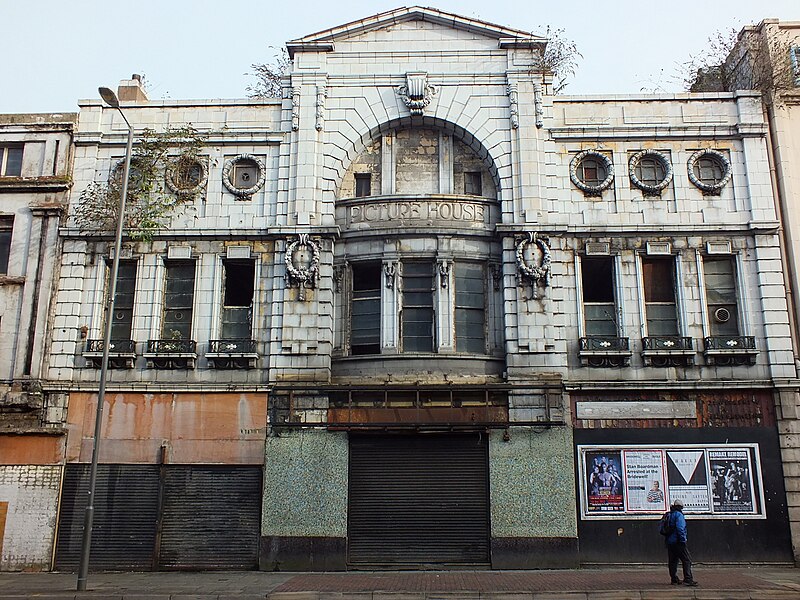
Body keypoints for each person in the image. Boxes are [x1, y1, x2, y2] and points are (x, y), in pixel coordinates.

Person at [665, 499, 698, 586]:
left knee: (673, 561)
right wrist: (683, 540)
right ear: (680, 507)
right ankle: (688, 579)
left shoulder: (669, 514)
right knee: (686, 560)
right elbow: (680, 528)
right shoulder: (679, 515)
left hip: (670, 542)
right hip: (678, 542)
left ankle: (674, 579)